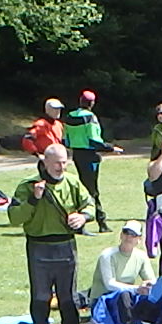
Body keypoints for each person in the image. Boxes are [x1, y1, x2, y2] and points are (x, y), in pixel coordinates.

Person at [6, 142, 92, 324]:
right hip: (39, 247)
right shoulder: (27, 186)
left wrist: (83, 217)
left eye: (64, 163)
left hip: (65, 246)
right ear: (45, 162)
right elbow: (15, 217)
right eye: (56, 163)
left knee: (69, 301)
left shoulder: (72, 182)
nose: (60, 167)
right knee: (40, 301)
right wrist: (34, 199)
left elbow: (89, 205)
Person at [65, 90, 111, 230]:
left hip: (77, 155)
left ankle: (97, 221)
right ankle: (98, 222)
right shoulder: (90, 117)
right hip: (90, 156)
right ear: (92, 103)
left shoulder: (70, 116)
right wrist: (110, 148)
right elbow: (94, 140)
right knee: (92, 190)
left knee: (85, 186)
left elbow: (66, 140)